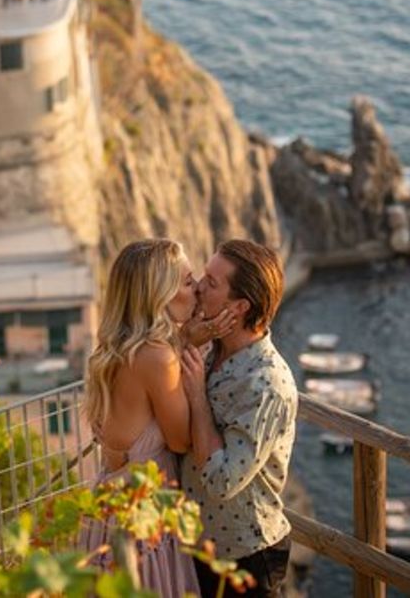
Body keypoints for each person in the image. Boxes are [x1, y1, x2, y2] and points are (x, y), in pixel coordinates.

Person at [81, 238, 236, 596]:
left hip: (112, 505)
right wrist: (193, 381)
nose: (197, 288)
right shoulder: (158, 358)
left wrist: (184, 341)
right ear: (159, 295)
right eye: (185, 281)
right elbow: (181, 440)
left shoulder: (119, 346)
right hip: (143, 515)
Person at [180, 239, 298, 598]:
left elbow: (220, 479)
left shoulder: (266, 384)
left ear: (241, 307)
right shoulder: (207, 346)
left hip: (245, 554)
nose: (199, 286)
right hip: (200, 545)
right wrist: (185, 338)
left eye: (212, 283)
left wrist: (197, 396)